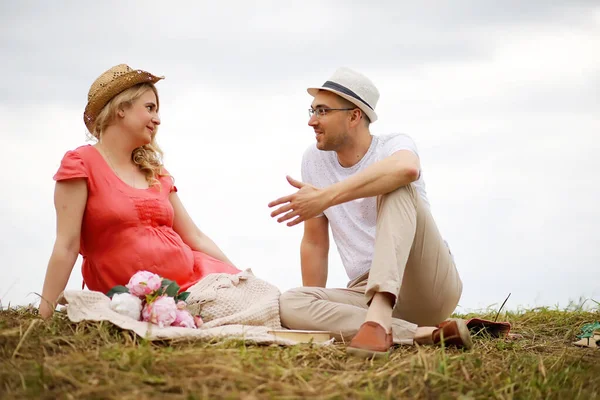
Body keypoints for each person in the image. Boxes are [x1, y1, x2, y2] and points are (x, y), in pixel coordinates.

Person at [269, 67, 472, 358]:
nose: (312, 121)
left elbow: (407, 169)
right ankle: (423, 334)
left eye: (323, 111)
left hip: (423, 281)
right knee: (291, 302)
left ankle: (379, 317)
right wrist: (315, 310)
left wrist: (325, 197)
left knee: (398, 185)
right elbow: (315, 242)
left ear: (354, 116)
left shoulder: (393, 145)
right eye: (312, 111)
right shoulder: (314, 160)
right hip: (364, 290)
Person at [39, 64, 240, 319]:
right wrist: (43, 316)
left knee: (261, 299)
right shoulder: (81, 164)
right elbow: (66, 246)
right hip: (131, 297)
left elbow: (195, 238)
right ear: (121, 108)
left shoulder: (154, 170)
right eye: (149, 108)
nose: (157, 119)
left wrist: (239, 277)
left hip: (195, 280)